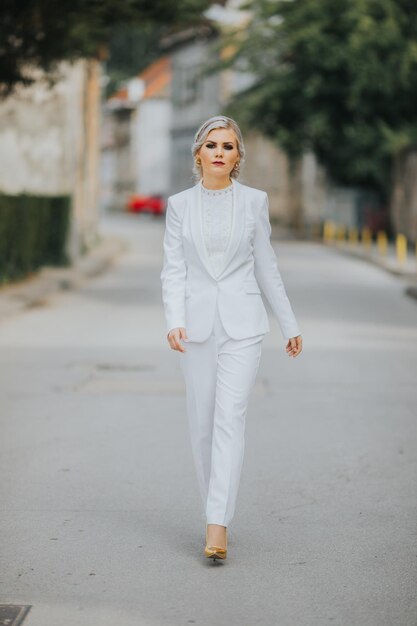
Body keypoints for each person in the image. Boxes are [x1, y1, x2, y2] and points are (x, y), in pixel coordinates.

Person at [160, 115, 302, 561]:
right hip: (197, 327)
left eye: (228, 146)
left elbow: (267, 266)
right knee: (202, 425)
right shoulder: (179, 205)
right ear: (198, 153)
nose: (219, 152)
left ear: (238, 157)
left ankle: (217, 525)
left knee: (229, 420)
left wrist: (289, 323)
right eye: (212, 145)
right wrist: (173, 319)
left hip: (243, 324)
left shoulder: (254, 202)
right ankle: (212, 509)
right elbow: (174, 269)